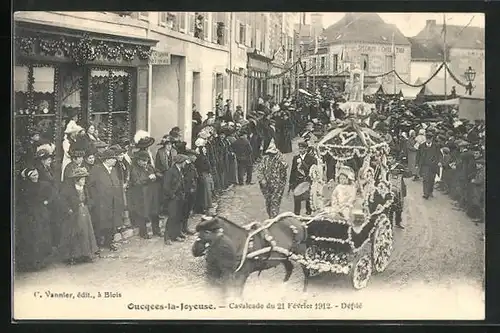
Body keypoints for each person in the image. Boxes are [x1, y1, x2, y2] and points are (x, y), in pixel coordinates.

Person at [15, 167, 54, 271]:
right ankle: (33, 262)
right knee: (33, 237)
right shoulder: (25, 187)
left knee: (43, 235)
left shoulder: (44, 184)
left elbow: (52, 194)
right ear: (29, 177)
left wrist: (47, 202)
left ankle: (43, 261)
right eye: (33, 175)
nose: (36, 177)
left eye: (37, 174)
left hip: (41, 213)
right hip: (30, 214)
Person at [58, 167, 99, 264]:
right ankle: (74, 256)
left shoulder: (85, 188)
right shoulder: (68, 189)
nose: (84, 181)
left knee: (86, 232)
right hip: (74, 214)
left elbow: (91, 198)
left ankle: (86, 254)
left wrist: (89, 205)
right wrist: (69, 209)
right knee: (76, 233)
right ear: (76, 180)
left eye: (84, 179)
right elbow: (62, 201)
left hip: (84, 211)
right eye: (82, 179)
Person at [87, 147, 125, 251]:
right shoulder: (96, 169)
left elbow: (117, 184)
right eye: (113, 158)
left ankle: (109, 242)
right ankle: (98, 244)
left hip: (113, 202)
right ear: (107, 159)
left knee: (112, 223)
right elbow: (90, 185)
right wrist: (94, 199)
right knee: (100, 223)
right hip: (101, 202)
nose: (115, 160)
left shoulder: (113, 170)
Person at [128, 150, 158, 239]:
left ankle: (156, 230)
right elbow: (137, 182)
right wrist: (148, 179)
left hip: (151, 193)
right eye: (143, 161)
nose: (145, 163)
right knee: (143, 214)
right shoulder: (134, 170)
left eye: (147, 160)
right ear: (138, 161)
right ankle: (143, 232)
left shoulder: (149, 167)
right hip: (141, 195)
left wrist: (156, 176)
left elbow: (156, 173)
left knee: (154, 211)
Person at [257, 141, 288, 218]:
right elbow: (260, 170)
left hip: (278, 185)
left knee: (275, 201)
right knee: (268, 202)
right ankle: (270, 215)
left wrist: (280, 158)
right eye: (270, 153)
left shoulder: (280, 159)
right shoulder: (265, 159)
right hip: (267, 185)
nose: (271, 155)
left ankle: (273, 218)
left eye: (272, 153)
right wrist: (262, 179)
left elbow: (285, 166)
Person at [163, 154, 189, 245]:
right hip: (172, 198)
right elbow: (166, 187)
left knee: (178, 216)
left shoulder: (179, 170)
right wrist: (172, 196)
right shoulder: (170, 172)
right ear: (180, 162)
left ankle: (175, 235)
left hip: (180, 197)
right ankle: (167, 237)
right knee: (172, 217)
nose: (185, 163)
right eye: (184, 161)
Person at [289, 141, 317, 215]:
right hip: (298, 180)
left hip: (307, 180)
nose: (301, 150)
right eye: (300, 148)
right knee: (297, 198)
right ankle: (297, 213)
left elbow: (313, 170)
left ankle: (308, 212)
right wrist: (291, 183)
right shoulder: (295, 158)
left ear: (306, 149)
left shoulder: (312, 158)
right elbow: (293, 170)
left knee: (308, 198)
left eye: (302, 148)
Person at [416, 133, 441, 199]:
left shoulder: (436, 146)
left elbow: (439, 155)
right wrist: (417, 164)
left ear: (432, 139)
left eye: (429, 139)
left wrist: (439, 162)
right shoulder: (421, 146)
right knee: (425, 179)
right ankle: (426, 194)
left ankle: (430, 192)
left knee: (431, 179)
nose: (428, 140)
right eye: (427, 139)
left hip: (433, 166)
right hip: (425, 165)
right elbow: (418, 155)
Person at [194, 138, 214, 214]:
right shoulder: (200, 158)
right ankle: (204, 206)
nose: (205, 151)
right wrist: (208, 170)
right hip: (203, 174)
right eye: (204, 149)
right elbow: (202, 167)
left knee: (206, 190)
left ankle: (206, 205)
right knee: (204, 192)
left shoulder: (202, 157)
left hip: (204, 174)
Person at [182, 150, 198, 235]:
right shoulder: (186, 166)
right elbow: (186, 179)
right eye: (194, 156)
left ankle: (185, 228)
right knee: (185, 210)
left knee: (188, 210)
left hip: (191, 190)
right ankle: (183, 228)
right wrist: (189, 188)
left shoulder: (191, 165)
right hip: (187, 191)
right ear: (190, 156)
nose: (195, 158)